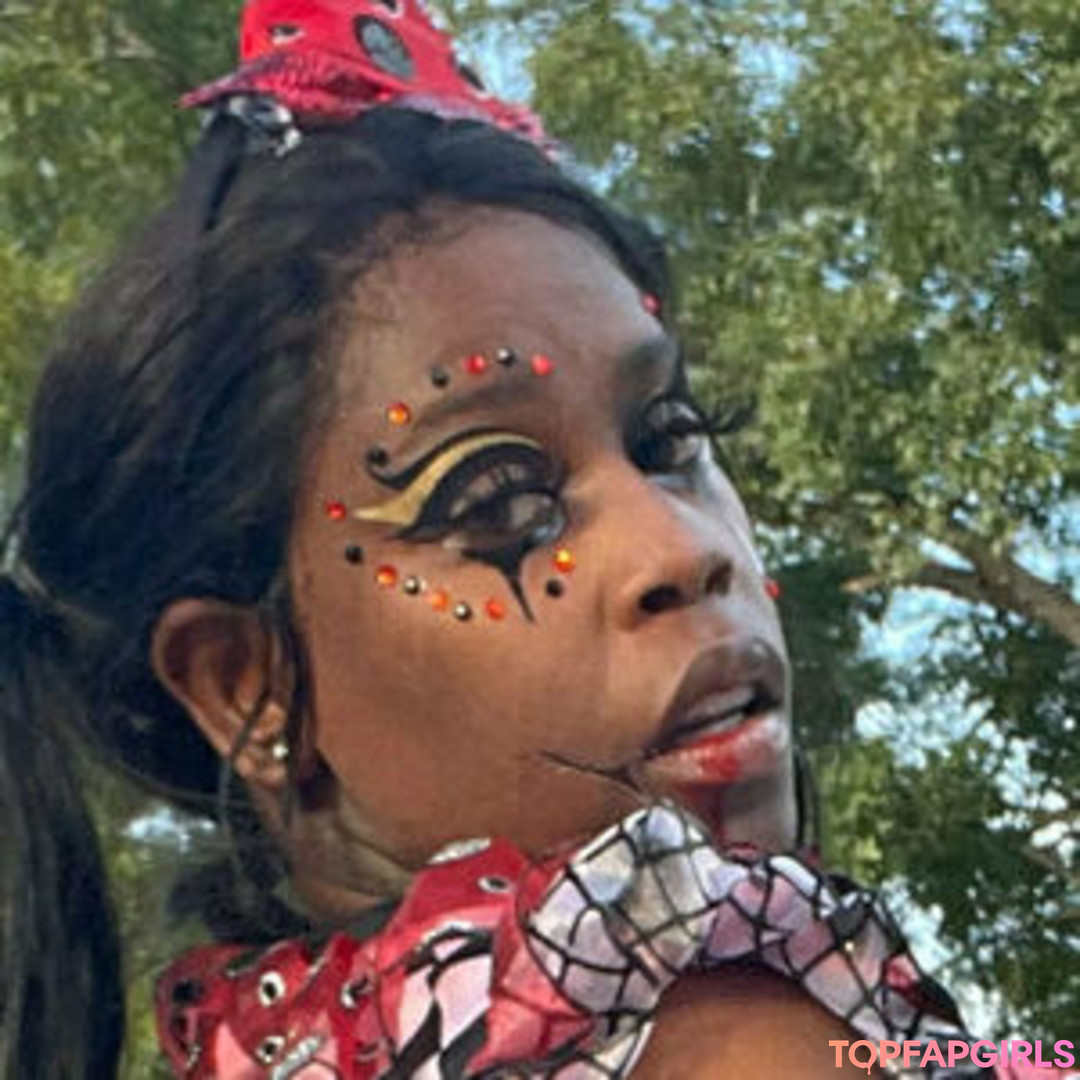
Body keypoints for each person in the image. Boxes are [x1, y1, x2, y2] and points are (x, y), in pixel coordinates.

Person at [0, 2, 1072, 1077]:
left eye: (669, 439)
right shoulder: (741, 1040)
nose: (679, 550)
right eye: (501, 504)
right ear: (247, 684)